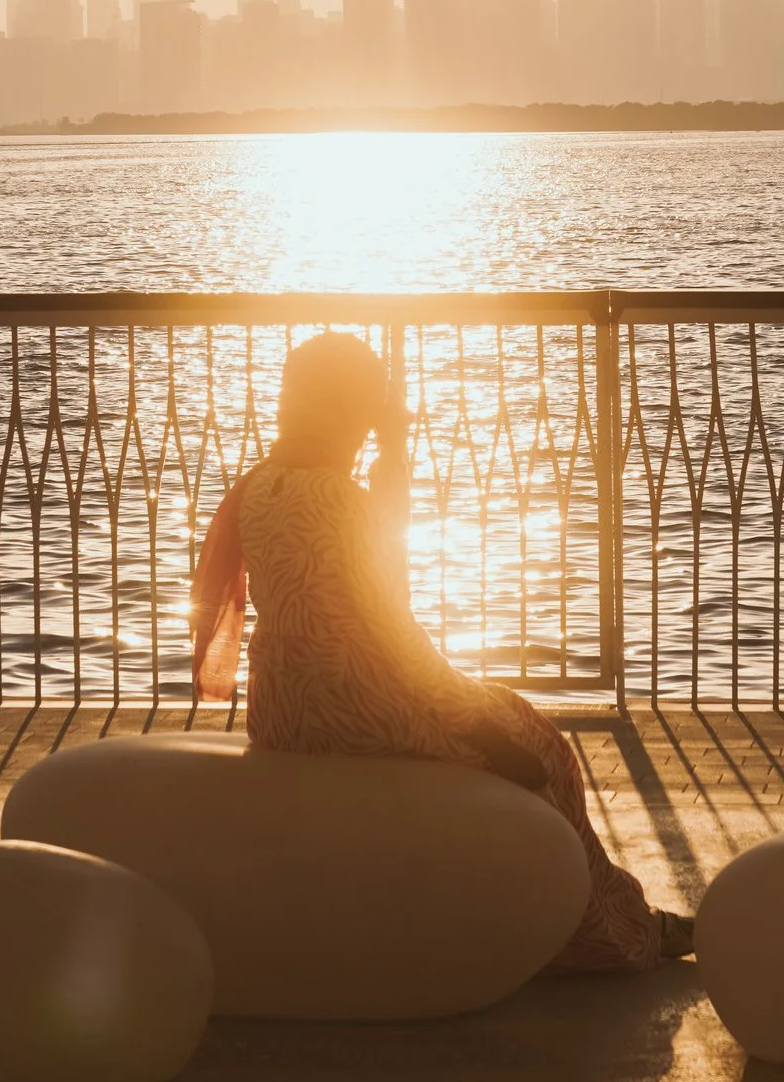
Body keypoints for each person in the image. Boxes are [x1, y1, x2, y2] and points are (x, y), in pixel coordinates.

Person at [190, 331, 686, 971]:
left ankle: (601, 916)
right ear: (349, 408)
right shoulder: (344, 502)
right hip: (354, 712)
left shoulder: (259, 487)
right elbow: (394, 633)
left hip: (283, 709)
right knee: (543, 750)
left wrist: (390, 452)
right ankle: (605, 931)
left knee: (508, 721)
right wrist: (479, 723)